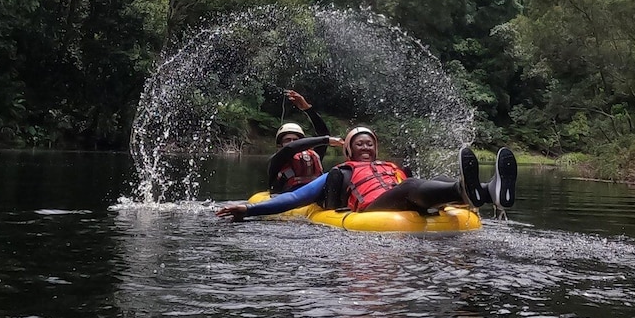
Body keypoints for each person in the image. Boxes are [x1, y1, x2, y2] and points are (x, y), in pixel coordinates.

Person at [217, 126, 517, 220]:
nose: (365, 148)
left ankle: (489, 191)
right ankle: (464, 191)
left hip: (404, 200)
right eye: (358, 144)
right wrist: (248, 209)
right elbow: (296, 197)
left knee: (437, 179)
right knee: (411, 185)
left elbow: (411, 185)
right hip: (374, 207)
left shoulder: (392, 167)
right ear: (348, 151)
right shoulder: (341, 171)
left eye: (369, 144)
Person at [268, 90, 333, 194]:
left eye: (296, 140)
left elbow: (323, 132)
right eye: (287, 140)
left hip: (312, 200)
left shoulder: (312, 157)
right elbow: (290, 149)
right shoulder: (276, 161)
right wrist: (326, 140)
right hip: (285, 198)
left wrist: (308, 109)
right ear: (280, 145)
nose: (292, 142)